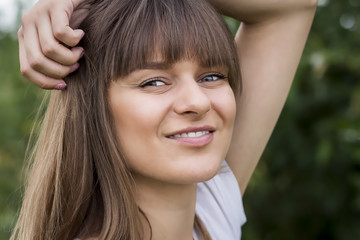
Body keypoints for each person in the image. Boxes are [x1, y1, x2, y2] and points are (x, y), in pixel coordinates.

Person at [13, 0, 318, 239]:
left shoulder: (210, 215)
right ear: (93, 108)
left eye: (212, 76)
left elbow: (293, 6)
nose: (198, 102)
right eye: (154, 82)